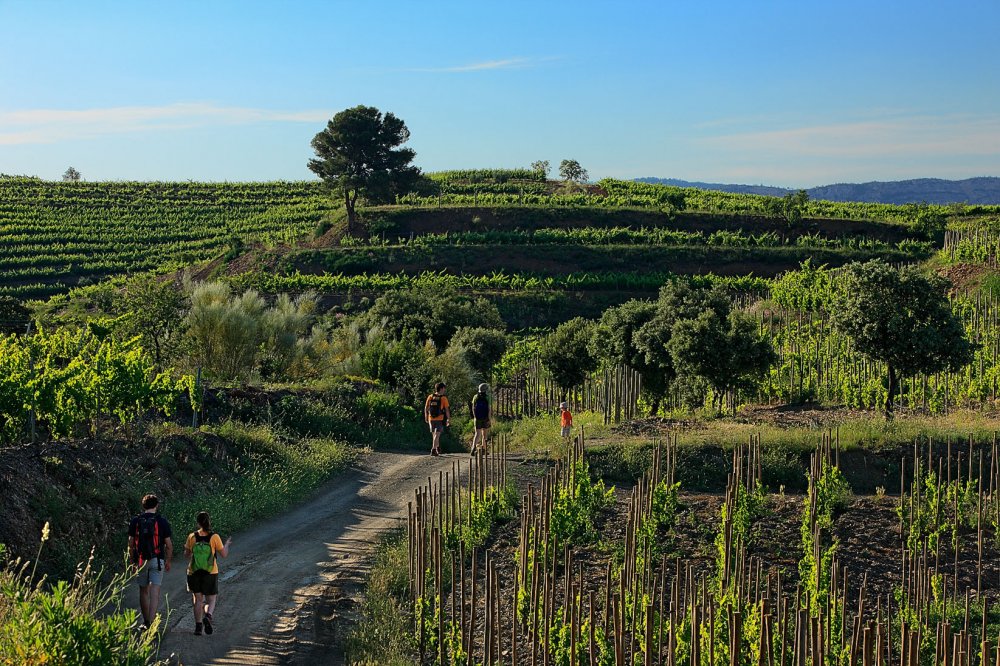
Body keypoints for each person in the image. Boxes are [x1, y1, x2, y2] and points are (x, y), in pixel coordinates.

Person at [128, 493, 173, 630]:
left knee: (143, 591)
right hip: (157, 559)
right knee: (155, 592)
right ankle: (152, 624)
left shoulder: (135, 521)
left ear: (143, 506)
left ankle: (146, 622)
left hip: (141, 560)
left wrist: (132, 562)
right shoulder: (162, 521)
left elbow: (130, 544)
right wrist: (168, 561)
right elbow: (169, 545)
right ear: (156, 505)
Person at [184, 511, 232, 636]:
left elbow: (186, 555)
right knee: (211, 599)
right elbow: (224, 555)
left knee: (198, 600)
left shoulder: (192, 537)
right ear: (209, 521)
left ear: (198, 523)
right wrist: (226, 545)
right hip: (210, 572)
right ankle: (208, 615)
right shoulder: (214, 537)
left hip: (194, 572)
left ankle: (198, 627)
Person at [424, 382, 451, 456]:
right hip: (440, 418)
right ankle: (433, 449)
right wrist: (448, 419)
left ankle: (437, 448)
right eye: (444, 388)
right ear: (441, 388)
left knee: (434, 435)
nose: (444, 390)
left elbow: (426, 408)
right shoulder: (443, 398)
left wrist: (426, 417)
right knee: (437, 435)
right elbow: (447, 410)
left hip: (431, 418)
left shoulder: (430, 397)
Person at [470, 383, 491, 456]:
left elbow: (473, 408)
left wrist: (475, 416)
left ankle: (473, 448)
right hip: (485, 418)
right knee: (484, 434)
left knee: (477, 433)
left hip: (477, 418)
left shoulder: (475, 397)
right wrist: (489, 419)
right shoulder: (487, 397)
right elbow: (489, 409)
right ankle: (484, 450)